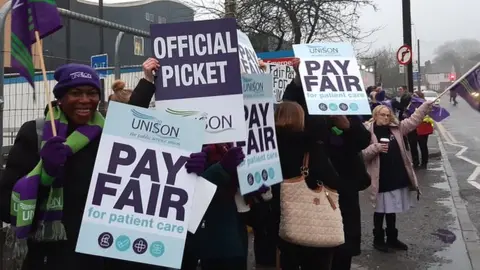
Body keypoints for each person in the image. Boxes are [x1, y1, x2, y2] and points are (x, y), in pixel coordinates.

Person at [0, 58, 161, 270]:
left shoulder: (107, 133)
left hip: (100, 252)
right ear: (60, 98)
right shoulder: (36, 134)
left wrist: (191, 168)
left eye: (92, 93)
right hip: (51, 256)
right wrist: (45, 174)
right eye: (75, 93)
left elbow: (133, 124)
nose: (85, 100)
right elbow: (5, 205)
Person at [283, 58, 371, 270]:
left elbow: (363, 140)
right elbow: (289, 111)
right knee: (315, 251)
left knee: (342, 252)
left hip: (344, 192)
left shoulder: (346, 109)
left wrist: (347, 126)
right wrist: (298, 80)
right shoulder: (306, 111)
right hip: (314, 190)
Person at [273, 101, 340, 270]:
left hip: (282, 221)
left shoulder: (268, 146)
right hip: (312, 223)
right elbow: (333, 179)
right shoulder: (311, 146)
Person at [362, 101, 432, 253]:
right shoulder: (367, 131)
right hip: (380, 177)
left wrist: (424, 107)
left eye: (388, 115)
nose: (386, 117)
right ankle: (378, 239)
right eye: (382, 115)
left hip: (395, 175)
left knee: (391, 208)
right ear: (375, 115)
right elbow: (361, 155)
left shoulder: (396, 128)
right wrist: (376, 148)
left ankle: (392, 238)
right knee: (380, 210)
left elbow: (413, 120)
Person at [181, 144, 250, 270]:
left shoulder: (231, 144)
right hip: (184, 234)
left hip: (227, 234)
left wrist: (255, 183)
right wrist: (220, 169)